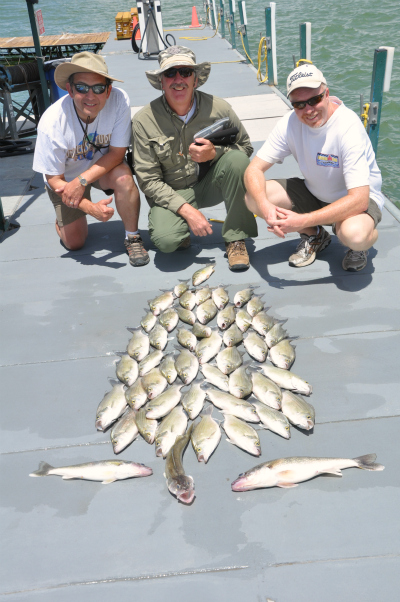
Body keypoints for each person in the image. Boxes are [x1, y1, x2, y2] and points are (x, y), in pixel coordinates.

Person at [244, 63, 385, 272]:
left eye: (314, 100)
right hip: (315, 193)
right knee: (253, 197)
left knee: (355, 235)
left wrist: (302, 219)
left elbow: (359, 199)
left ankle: (361, 243)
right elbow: (253, 170)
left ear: (326, 94)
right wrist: (266, 208)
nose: (308, 110)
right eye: (299, 104)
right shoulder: (289, 123)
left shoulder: (348, 127)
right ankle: (314, 235)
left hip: (355, 201)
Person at [132, 46, 257, 271]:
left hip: (210, 184)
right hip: (172, 193)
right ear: (161, 81)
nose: (178, 79)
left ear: (196, 79)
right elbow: (148, 181)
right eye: (170, 73)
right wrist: (187, 211)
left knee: (238, 161)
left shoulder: (219, 108)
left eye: (185, 72)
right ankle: (181, 231)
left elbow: (246, 147)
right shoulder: (143, 121)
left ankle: (236, 239)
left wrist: (215, 153)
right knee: (167, 242)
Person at [33, 51, 149, 267]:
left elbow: (116, 153)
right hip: (64, 180)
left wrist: (82, 181)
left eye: (98, 88)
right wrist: (89, 207)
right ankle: (63, 221)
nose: (90, 95)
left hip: (100, 168)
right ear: (69, 89)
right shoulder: (51, 123)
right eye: (82, 88)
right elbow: (54, 179)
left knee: (124, 177)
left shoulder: (119, 100)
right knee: (75, 243)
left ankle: (132, 237)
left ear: (108, 90)